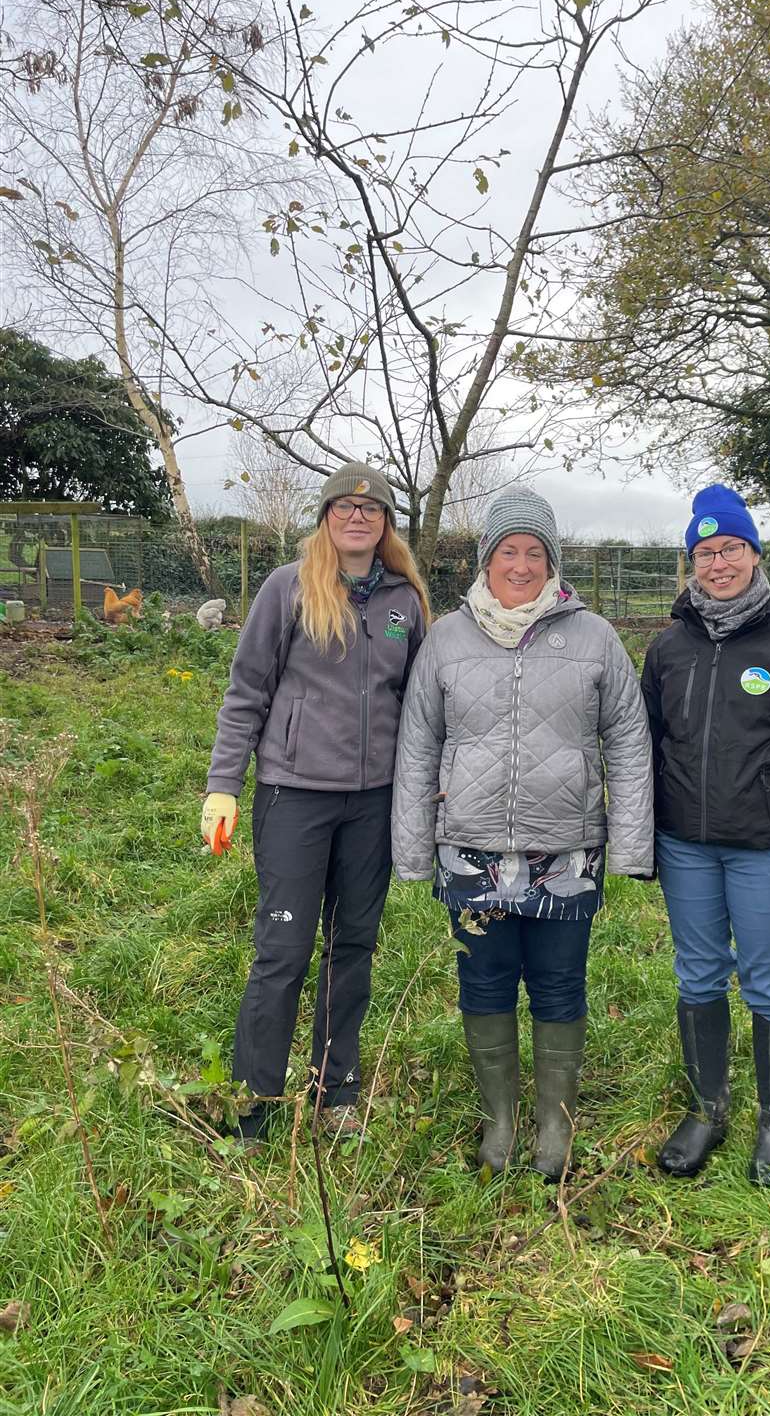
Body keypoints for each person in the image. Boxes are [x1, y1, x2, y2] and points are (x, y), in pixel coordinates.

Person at [392, 486, 653, 1178]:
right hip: (471, 850)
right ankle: (500, 1122)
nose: (520, 563)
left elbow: (628, 738)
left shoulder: (594, 637)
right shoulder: (446, 640)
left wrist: (628, 843)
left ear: (552, 561)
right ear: (486, 560)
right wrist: (414, 851)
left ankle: (553, 1126)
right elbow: (417, 744)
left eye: (534, 551)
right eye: (507, 550)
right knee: (484, 985)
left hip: (565, 849)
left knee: (561, 984)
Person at [201, 461, 429, 1146]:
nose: (357, 518)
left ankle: (336, 1090)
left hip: (372, 806)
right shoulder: (288, 589)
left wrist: (428, 788)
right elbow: (247, 692)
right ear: (326, 516)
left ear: (386, 524)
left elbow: (420, 706)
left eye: (372, 509)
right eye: (344, 507)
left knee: (353, 946)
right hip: (293, 798)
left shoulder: (405, 603)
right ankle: (255, 1102)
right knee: (284, 950)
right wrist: (223, 784)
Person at [641, 484, 770, 1186]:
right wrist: (641, 839)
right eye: (704, 552)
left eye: (730, 547)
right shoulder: (669, 647)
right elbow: (643, 747)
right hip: (686, 845)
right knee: (698, 973)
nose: (718, 562)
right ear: (690, 563)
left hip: (768, 849)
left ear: (755, 553)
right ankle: (708, 1108)